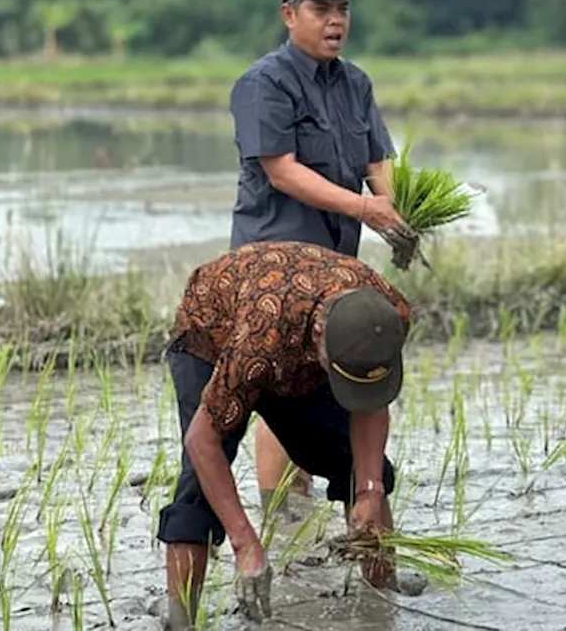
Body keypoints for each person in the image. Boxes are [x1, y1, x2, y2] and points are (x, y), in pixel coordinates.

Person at [227, 0, 419, 519]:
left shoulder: (355, 83)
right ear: (290, 16)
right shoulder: (264, 84)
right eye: (321, 10)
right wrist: (365, 206)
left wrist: (400, 211)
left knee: (326, 374)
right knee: (284, 382)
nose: (335, 21)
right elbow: (281, 169)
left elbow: (376, 160)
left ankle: (307, 506)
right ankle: (284, 513)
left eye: (343, 10)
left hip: (335, 261)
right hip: (275, 262)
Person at [157, 241, 420, 629]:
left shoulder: (389, 316)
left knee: (357, 462)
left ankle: (382, 591)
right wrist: (246, 544)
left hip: (290, 343)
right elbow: (202, 441)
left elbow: (370, 399)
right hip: (214, 333)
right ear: (318, 340)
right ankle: (181, 618)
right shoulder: (260, 342)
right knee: (200, 483)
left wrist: (368, 489)